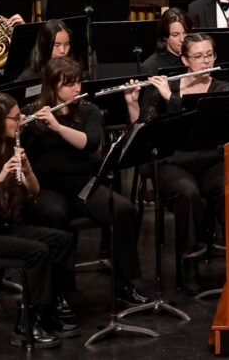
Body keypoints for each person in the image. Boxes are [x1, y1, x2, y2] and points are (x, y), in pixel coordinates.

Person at [23, 58, 147, 306]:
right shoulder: (31, 112)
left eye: (78, 82)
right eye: (69, 84)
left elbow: (90, 143)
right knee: (54, 216)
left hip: (82, 184)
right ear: (52, 86)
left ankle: (124, 283)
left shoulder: (88, 110)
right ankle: (60, 291)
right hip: (47, 187)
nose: (76, 89)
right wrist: (21, 128)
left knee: (122, 210)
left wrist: (57, 127)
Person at [0, 92, 73, 347]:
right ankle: (26, 323)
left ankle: (48, 311)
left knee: (61, 240)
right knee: (38, 252)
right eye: (16, 117)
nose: (21, 121)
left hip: (2, 226)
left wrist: (27, 171)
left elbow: (35, 191)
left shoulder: (9, 145)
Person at [125, 33, 229, 294]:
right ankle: (190, 264)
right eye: (198, 57)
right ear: (185, 60)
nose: (206, 61)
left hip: (208, 159)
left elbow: (203, 129)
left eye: (209, 55)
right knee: (187, 193)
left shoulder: (222, 89)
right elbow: (145, 130)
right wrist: (132, 104)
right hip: (172, 162)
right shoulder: (165, 88)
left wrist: (172, 101)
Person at [139, 7, 190, 75]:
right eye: (175, 35)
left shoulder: (195, 58)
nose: (182, 39)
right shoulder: (151, 67)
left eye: (185, 33)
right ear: (165, 36)